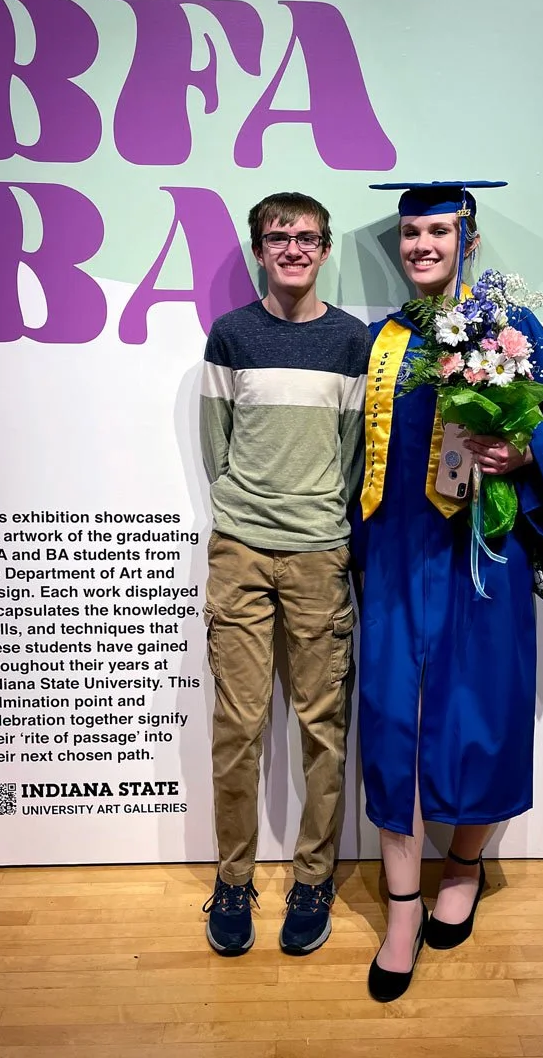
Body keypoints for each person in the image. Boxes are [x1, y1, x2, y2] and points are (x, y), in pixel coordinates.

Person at [352, 181, 543, 1001]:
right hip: (395, 557)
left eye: (437, 229)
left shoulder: (506, 326)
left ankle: (464, 866)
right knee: (395, 723)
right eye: (410, 231)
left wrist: (526, 454)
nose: (421, 243)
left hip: (478, 557)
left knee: (478, 718)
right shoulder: (382, 339)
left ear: (469, 238)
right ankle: (400, 910)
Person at [200, 191, 371, 957]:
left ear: (325, 248)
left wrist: (319, 525)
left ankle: (312, 879)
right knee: (237, 727)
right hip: (239, 549)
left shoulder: (351, 340)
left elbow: (357, 450)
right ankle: (232, 881)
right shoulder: (230, 334)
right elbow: (217, 446)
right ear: (258, 248)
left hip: (319, 551)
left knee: (321, 729)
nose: (294, 248)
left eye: (307, 237)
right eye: (280, 236)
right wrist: (250, 512)